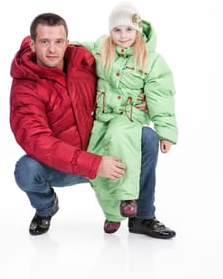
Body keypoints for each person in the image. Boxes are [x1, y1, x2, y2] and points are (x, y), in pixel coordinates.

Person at [10, 12, 176, 239]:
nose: (52, 49)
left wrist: (137, 95)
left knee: (146, 137)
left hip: (103, 146)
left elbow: (118, 64)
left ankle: (142, 218)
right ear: (32, 44)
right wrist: (94, 164)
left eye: (59, 42)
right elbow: (37, 140)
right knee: (26, 170)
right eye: (44, 42)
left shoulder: (82, 59)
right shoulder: (25, 88)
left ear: (67, 42)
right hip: (67, 164)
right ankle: (46, 208)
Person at [73, 2, 178, 235]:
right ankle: (113, 213)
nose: (123, 36)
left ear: (138, 31)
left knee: (120, 139)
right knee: (96, 160)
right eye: (117, 30)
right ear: (110, 32)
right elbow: (80, 47)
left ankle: (129, 198)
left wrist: (166, 131)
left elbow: (161, 96)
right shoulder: (102, 48)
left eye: (129, 30)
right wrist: (59, 44)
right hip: (102, 119)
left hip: (128, 118)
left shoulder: (151, 60)